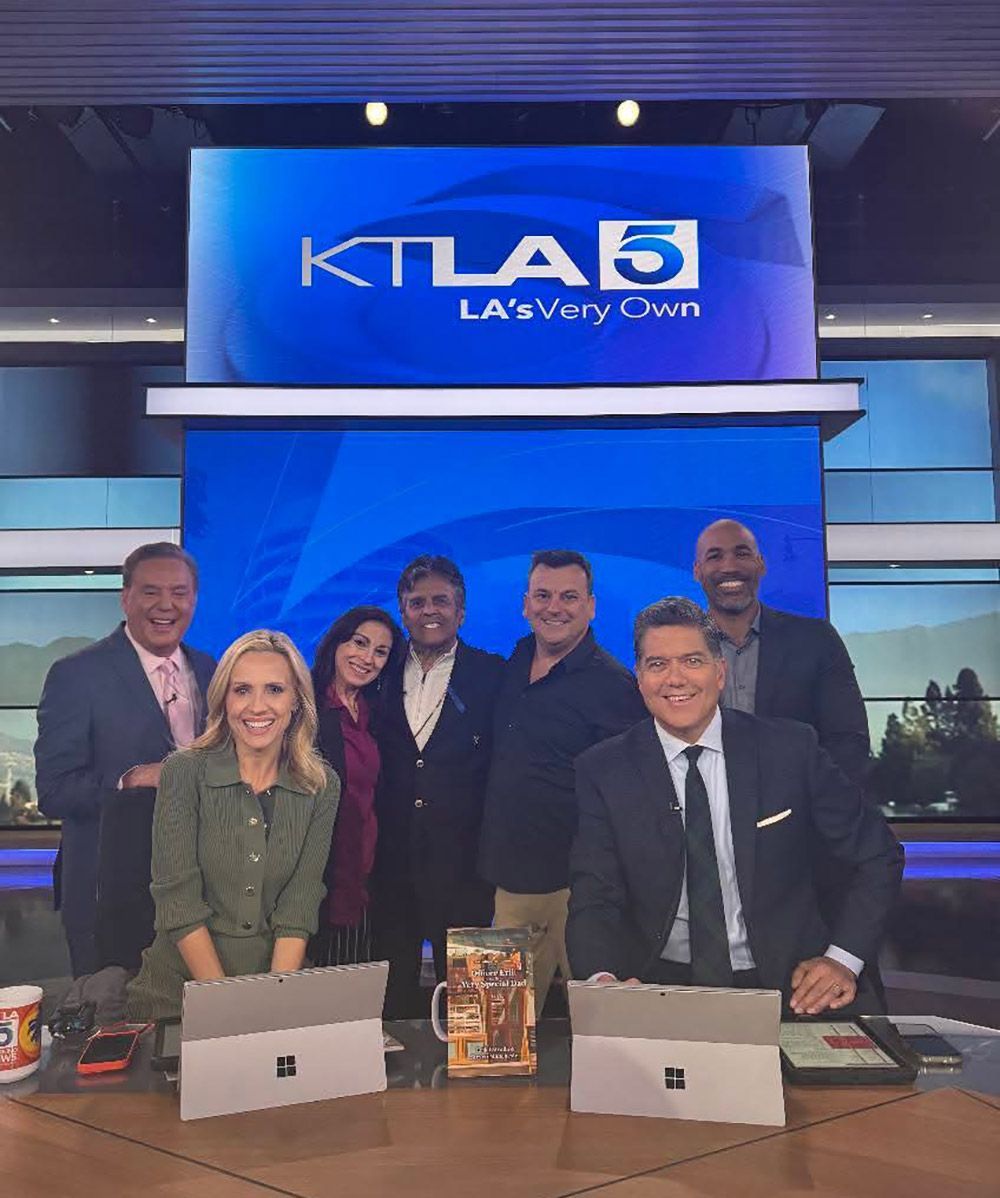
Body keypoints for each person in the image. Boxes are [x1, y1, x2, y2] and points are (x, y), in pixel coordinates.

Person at [567, 597, 904, 1016]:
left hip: (789, 985)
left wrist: (842, 959)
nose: (675, 678)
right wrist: (603, 982)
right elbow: (595, 896)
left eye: (692, 661)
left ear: (720, 671)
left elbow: (877, 855)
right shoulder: (604, 769)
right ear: (639, 678)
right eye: (657, 664)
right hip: (659, 986)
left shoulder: (790, 750)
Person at [126, 630, 339, 1021]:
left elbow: (300, 903)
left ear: (296, 700)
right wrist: (229, 1011)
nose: (257, 706)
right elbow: (179, 903)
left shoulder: (320, 786)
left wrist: (272, 1004)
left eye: (274, 689)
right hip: (179, 996)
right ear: (224, 699)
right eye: (242, 690)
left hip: (275, 989)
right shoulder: (184, 771)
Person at [34, 542, 216, 977]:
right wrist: (128, 781)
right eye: (151, 591)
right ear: (125, 597)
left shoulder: (211, 670)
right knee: (111, 1015)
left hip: (199, 895)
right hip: (108, 897)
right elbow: (54, 791)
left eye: (179, 592)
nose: (166, 605)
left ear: (194, 599)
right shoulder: (77, 675)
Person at [479, 549, 647, 1013]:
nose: (554, 607)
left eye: (569, 597)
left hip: (585, 892)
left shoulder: (616, 686)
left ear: (590, 606)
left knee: (604, 1029)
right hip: (511, 884)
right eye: (543, 596)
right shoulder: (515, 660)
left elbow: (631, 799)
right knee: (495, 1033)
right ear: (525, 604)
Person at [372, 556, 505, 1018]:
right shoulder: (377, 673)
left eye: (441, 601)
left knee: (479, 1025)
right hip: (388, 873)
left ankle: (476, 1067)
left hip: (468, 873)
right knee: (388, 1013)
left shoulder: (494, 674)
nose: (429, 610)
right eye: (417, 602)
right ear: (403, 611)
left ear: (461, 611)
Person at [693, 518, 870, 783]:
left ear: (761, 564)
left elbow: (848, 741)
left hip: (800, 805)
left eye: (742, 553)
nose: (729, 566)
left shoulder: (816, 640)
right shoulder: (678, 650)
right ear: (697, 571)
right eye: (714, 556)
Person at [309, 605, 401, 966]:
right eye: (359, 643)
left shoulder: (376, 713)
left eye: (380, 652)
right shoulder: (305, 709)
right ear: (337, 642)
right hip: (318, 882)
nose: (367, 658)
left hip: (366, 878)